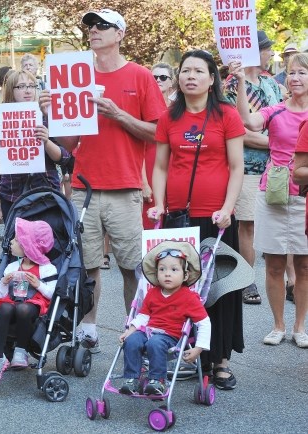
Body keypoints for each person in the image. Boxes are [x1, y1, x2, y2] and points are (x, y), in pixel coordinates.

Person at [40, 9, 167, 352]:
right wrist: (53, 115)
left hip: (125, 187)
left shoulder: (140, 76)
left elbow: (158, 132)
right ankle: (89, 328)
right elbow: (68, 145)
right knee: (89, 266)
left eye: (102, 26)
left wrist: (118, 114)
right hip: (84, 186)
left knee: (133, 267)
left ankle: (135, 328)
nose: (93, 31)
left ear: (120, 33)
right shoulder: (75, 76)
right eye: (90, 26)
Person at [148, 50, 245, 390]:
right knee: (180, 288)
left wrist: (228, 208)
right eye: (185, 70)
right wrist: (158, 204)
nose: (191, 76)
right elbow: (160, 166)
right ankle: (187, 354)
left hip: (216, 218)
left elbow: (236, 167)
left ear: (211, 79)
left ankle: (219, 361)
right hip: (178, 218)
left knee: (217, 290)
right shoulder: (168, 117)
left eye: (198, 71)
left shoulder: (227, 115)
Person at [230, 53, 308, 350]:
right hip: (273, 194)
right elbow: (246, 121)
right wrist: (239, 82)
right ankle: (278, 325)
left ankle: (300, 327)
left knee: (303, 267)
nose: (295, 78)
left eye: (302, 72)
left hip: (306, 196)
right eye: (291, 73)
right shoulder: (276, 111)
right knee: (274, 265)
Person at [223, 31, 284, 305]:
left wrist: (278, 143)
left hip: (275, 168)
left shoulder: (271, 86)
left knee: (278, 223)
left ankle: (289, 280)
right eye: (266, 49)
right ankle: (247, 280)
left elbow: (280, 122)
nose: (271, 54)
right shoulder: (231, 87)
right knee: (246, 225)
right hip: (246, 167)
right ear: (253, 51)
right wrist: (275, 143)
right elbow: (238, 132)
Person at [119, 241, 210, 396]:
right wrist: (131, 330)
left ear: (185, 275)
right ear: (156, 274)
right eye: (162, 269)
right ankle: (131, 379)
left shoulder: (189, 297)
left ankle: (157, 380)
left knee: (155, 342)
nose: (167, 273)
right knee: (132, 341)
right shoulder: (153, 293)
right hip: (148, 332)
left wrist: (199, 347)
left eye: (174, 269)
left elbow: (204, 323)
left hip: (170, 337)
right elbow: (143, 316)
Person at [0, 218, 57, 384]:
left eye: (16, 240)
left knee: (24, 308)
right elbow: (1, 295)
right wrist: (3, 282)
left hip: (33, 306)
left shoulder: (47, 269)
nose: (11, 242)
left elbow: (53, 294)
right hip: (12, 302)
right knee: (4, 308)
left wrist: (38, 284)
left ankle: (21, 350)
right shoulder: (12, 267)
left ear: (28, 246)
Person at [0, 70, 70, 220]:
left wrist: (46, 142)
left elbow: (64, 157)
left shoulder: (46, 116)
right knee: (15, 242)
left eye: (32, 86)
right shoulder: (1, 121)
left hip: (45, 193)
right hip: (11, 194)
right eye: (21, 86)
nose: (28, 90)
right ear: (11, 91)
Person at [142, 62, 175, 230]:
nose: (158, 80)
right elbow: (137, 147)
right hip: (149, 170)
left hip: (175, 172)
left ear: (172, 82)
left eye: (163, 77)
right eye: (153, 77)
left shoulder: (178, 110)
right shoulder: (142, 109)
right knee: (151, 224)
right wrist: (144, 183)